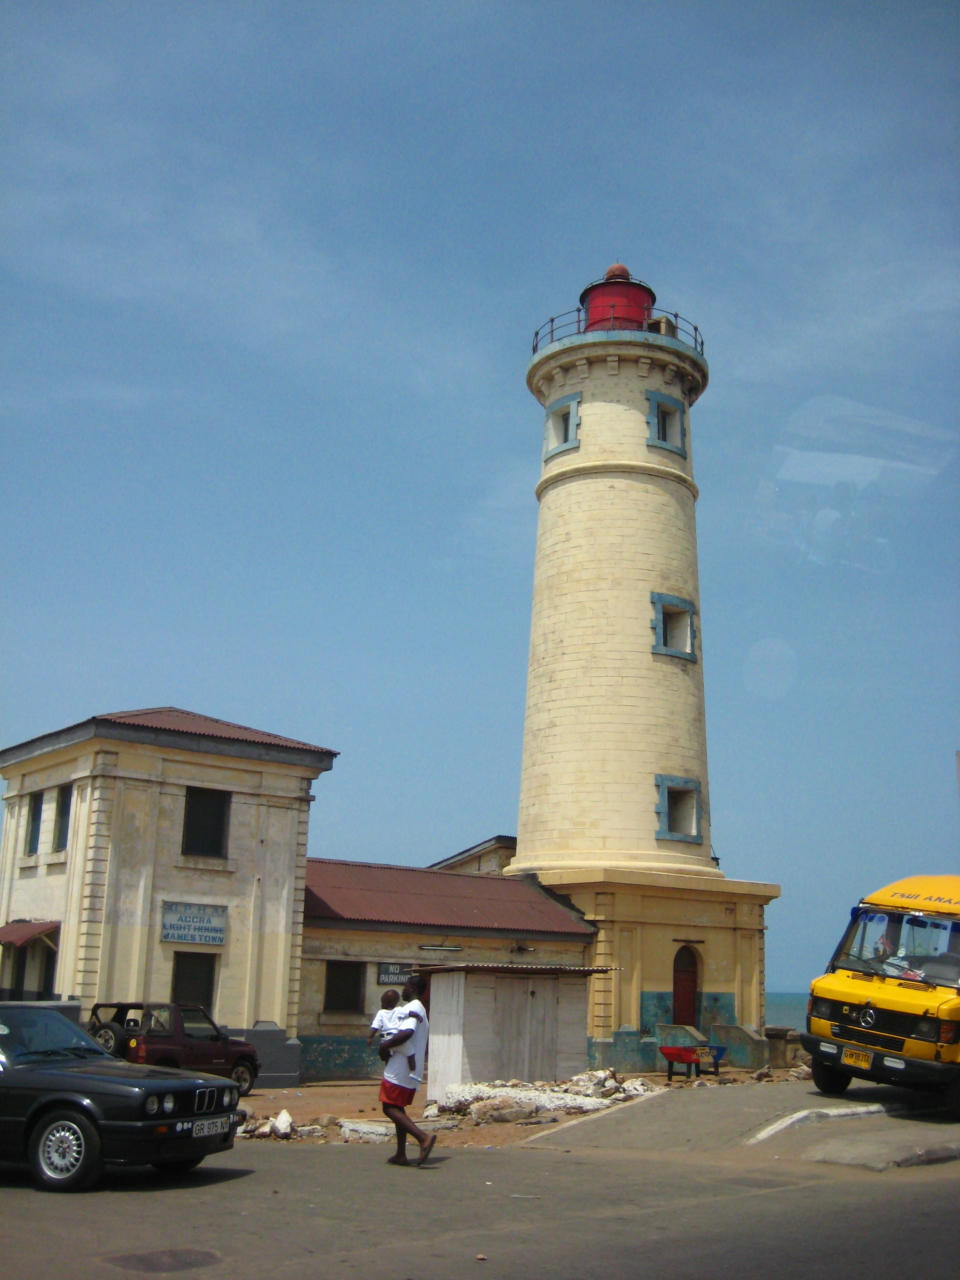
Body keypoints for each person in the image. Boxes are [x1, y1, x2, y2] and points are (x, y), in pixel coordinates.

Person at [378, 973, 434, 1167]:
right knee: (398, 1107)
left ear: (413, 989)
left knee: (389, 1107)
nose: (402, 990)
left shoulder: (413, 1007)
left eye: (405, 986)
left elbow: (407, 1032)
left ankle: (422, 1137)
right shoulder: (419, 1009)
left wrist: (384, 1047)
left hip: (400, 1067)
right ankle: (401, 1154)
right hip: (410, 1066)